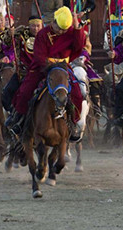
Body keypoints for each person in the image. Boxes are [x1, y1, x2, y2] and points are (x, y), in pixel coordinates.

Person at [6, 7, 86, 140]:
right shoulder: (43, 34)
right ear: (53, 22)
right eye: (59, 28)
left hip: (63, 67)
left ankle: (72, 123)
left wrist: (78, 28)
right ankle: (19, 120)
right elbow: (39, 56)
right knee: (26, 90)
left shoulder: (71, 32)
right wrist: (49, 65)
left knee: (77, 92)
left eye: (64, 30)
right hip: (42, 67)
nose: (61, 31)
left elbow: (78, 47)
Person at [1, 15, 43, 112]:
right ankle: (14, 114)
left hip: (40, 73)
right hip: (23, 72)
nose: (36, 29)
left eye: (38, 26)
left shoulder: (45, 35)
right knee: (7, 93)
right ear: (29, 25)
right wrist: (9, 34)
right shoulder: (21, 33)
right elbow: (7, 44)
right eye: (33, 26)